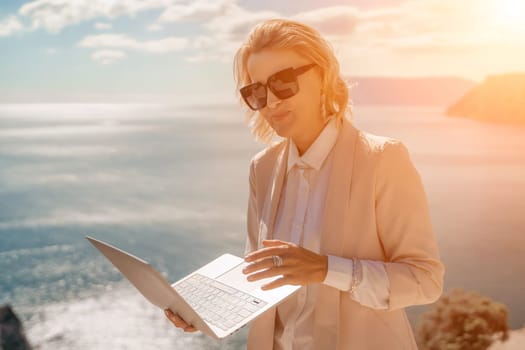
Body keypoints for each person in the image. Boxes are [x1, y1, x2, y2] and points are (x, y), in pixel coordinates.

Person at [165, 18, 445, 349]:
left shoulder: (383, 158)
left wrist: (326, 270)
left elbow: (425, 281)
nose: (270, 102)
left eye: (283, 82)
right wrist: (208, 311)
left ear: (324, 76)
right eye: (256, 91)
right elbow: (261, 273)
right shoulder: (262, 168)